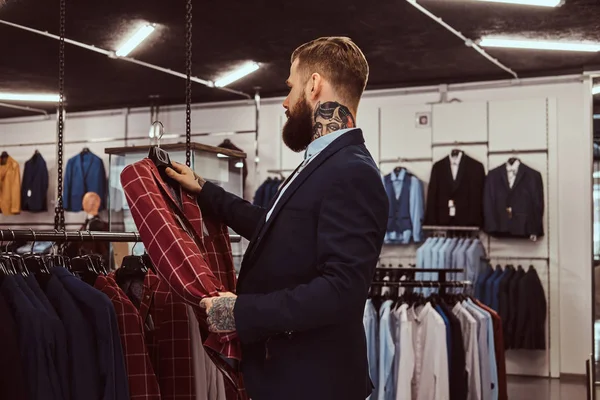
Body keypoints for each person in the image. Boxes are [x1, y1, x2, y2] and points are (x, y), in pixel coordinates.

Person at [166, 36, 389, 400]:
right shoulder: (322, 162)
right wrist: (205, 190)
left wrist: (242, 312)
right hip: (291, 377)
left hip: (313, 384)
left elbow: (342, 292)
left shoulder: (352, 171)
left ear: (314, 84)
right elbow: (275, 229)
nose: (285, 103)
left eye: (290, 87)